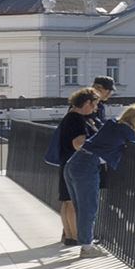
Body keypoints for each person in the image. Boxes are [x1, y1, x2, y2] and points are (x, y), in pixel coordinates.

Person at [70, 102, 135, 257]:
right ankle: (87, 248)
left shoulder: (112, 122)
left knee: (80, 207)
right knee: (88, 208)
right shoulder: (127, 130)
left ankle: (86, 243)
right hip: (87, 164)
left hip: (74, 161)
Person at [49, 88, 104, 248]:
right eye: (94, 105)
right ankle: (77, 238)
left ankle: (70, 236)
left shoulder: (69, 117)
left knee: (67, 201)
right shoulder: (78, 119)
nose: (95, 109)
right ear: (86, 102)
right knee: (74, 203)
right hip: (78, 164)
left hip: (66, 162)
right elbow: (78, 143)